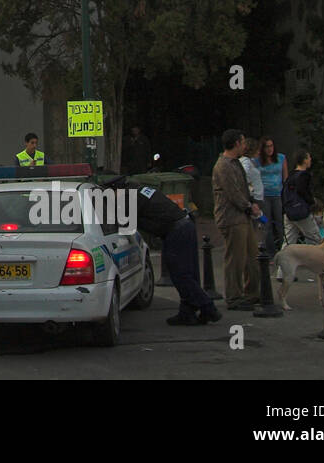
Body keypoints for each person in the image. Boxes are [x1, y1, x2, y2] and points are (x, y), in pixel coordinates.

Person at [106, 176, 221, 325]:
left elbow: (124, 224)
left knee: (181, 274)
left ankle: (208, 307)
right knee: (187, 273)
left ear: (116, 191)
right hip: (184, 225)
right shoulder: (139, 191)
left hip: (176, 230)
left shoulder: (129, 197)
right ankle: (188, 312)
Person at [213, 129, 261, 310]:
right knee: (236, 259)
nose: (244, 146)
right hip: (231, 217)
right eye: (242, 142)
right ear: (235, 143)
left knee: (252, 256)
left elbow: (243, 188)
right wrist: (249, 206)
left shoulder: (236, 163)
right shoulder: (223, 166)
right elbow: (233, 192)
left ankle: (252, 292)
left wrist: (251, 203)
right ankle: (234, 296)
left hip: (242, 216)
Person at [283, 150, 321, 245]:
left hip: (289, 211)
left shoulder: (291, 175)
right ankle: (313, 257)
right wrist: (312, 201)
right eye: (308, 157)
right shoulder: (304, 175)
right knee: (314, 237)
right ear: (304, 160)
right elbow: (303, 191)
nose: (310, 159)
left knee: (289, 239)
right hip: (301, 211)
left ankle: (282, 258)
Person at [257, 136, 287, 256]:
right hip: (264, 196)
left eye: (271, 146)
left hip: (277, 194)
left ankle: (283, 249)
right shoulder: (258, 161)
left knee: (280, 222)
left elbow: (285, 177)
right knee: (266, 223)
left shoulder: (281, 158)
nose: (269, 149)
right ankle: (270, 252)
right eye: (266, 147)